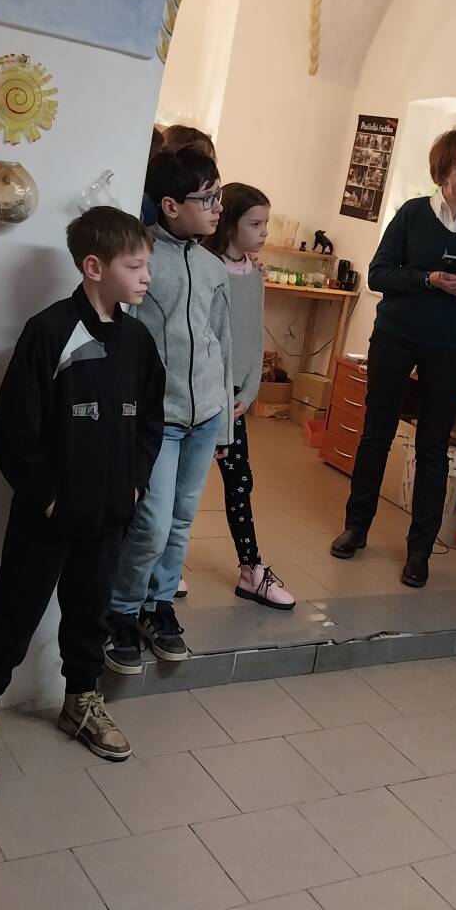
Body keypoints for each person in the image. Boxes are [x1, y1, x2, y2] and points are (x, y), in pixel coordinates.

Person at [0, 206, 164, 786]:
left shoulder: (139, 341)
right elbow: (14, 431)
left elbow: (151, 421)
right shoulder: (48, 332)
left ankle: (81, 701)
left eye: (147, 265)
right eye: (135, 266)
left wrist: (135, 483)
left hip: (110, 517)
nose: (147, 276)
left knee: (90, 614)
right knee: (13, 613)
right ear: (94, 267)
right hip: (46, 519)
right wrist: (47, 498)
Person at [329, 127, 456, 588]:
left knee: (434, 446)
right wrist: (426, 279)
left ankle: (419, 551)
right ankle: (356, 527)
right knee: (377, 433)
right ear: (442, 170)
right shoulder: (413, 213)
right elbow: (378, 274)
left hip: (449, 346)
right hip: (396, 335)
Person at [105, 149, 232, 674]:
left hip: (205, 415)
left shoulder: (213, 266)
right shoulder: (142, 260)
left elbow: (220, 342)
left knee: (181, 520)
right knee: (151, 523)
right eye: (207, 198)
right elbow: (121, 341)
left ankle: (158, 606)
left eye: (219, 195)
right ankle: (120, 609)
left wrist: (224, 420)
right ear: (170, 205)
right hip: (157, 420)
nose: (218, 207)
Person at [203, 182, 296, 610]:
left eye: (266, 224)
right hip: (202, 397)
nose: (264, 233)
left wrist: (251, 390)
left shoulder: (255, 273)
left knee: (240, 484)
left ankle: (251, 570)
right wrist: (217, 392)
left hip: (236, 402)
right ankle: (162, 568)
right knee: (180, 490)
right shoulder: (205, 266)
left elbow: (254, 336)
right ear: (229, 223)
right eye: (255, 224)